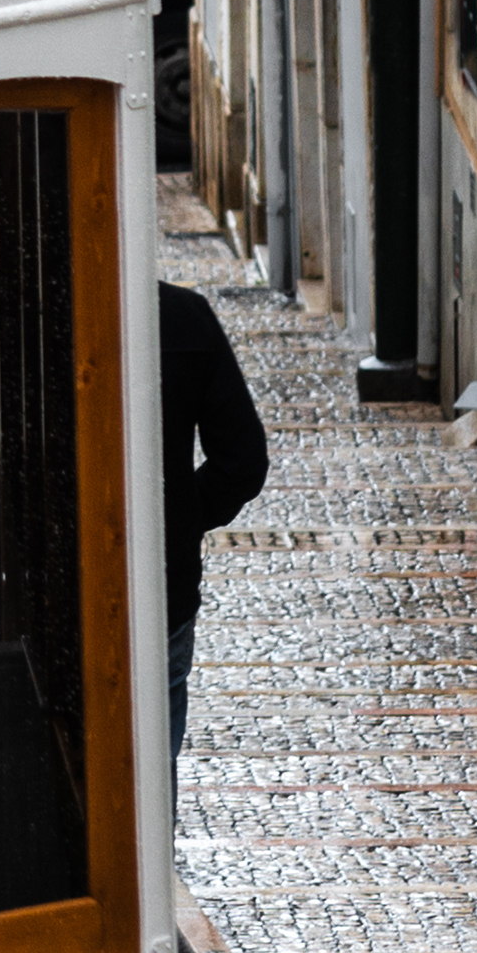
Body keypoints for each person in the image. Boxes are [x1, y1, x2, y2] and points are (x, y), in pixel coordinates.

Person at [156, 276, 270, 774]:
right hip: (164, 585)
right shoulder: (182, 315)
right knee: (154, 774)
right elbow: (242, 459)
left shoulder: (19, 316)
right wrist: (179, 518)